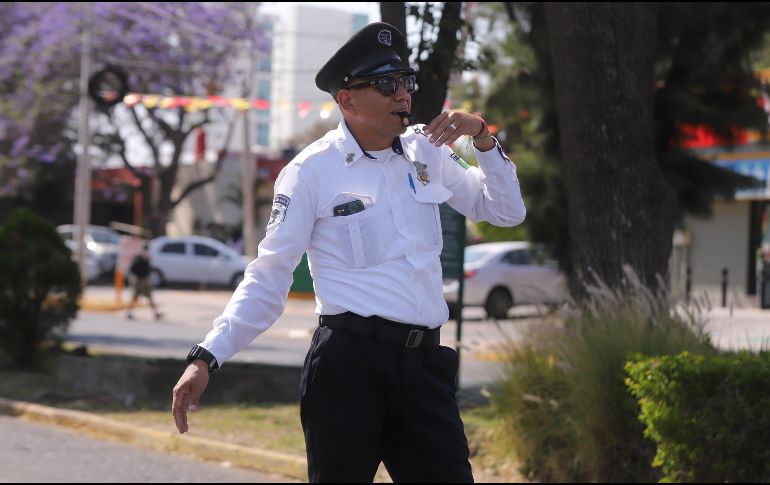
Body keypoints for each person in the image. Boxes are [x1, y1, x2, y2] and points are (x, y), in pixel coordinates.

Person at [172, 22, 526, 483]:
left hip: (424, 366)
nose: (403, 95)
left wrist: (482, 139)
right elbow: (269, 276)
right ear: (347, 100)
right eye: (386, 85)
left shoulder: (429, 151)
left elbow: (505, 211)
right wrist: (206, 355)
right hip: (349, 367)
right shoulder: (310, 172)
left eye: (406, 82)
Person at [125, 245, 162, 320]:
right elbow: (133, 269)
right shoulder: (138, 258)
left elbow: (148, 269)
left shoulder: (147, 259)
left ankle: (156, 313)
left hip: (145, 280)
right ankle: (129, 312)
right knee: (134, 297)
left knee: (149, 296)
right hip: (138, 280)